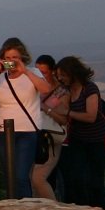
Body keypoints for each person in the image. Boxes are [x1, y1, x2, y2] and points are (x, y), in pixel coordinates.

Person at [0, 38, 53, 199]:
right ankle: (13, 206)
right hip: (3, 131)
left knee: (21, 175)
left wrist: (25, 71)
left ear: (22, 57)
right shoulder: (0, 78)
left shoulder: (33, 73)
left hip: (27, 131)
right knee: (9, 175)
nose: (11, 62)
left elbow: (46, 89)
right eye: (7, 58)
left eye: (14, 58)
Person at [53, 56, 105, 208]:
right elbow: (56, 107)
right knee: (76, 177)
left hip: (97, 141)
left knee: (95, 180)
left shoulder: (89, 88)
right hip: (77, 140)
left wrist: (68, 112)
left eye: (63, 75)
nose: (60, 78)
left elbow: (91, 116)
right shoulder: (66, 90)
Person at [33, 54, 67, 200]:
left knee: (38, 178)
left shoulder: (61, 93)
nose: (40, 76)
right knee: (31, 179)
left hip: (50, 140)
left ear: (52, 71)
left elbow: (63, 119)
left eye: (44, 73)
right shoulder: (33, 89)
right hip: (34, 137)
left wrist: (45, 108)